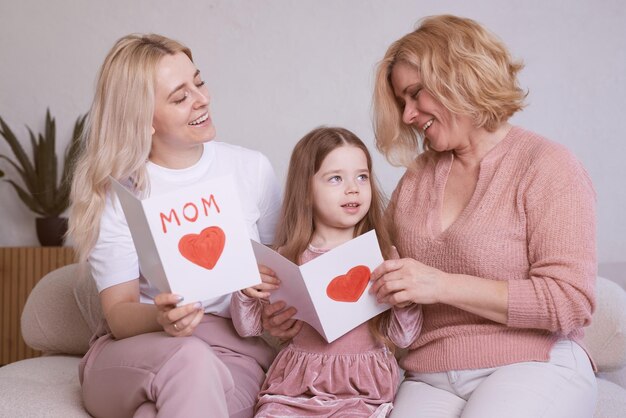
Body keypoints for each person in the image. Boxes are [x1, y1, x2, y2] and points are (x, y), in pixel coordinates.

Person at [366, 14, 597, 418]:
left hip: (532, 362)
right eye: (402, 102)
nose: (407, 116)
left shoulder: (547, 165)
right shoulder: (416, 179)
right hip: (428, 375)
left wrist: (441, 285)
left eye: (415, 93)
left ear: (460, 77)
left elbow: (570, 301)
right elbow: (377, 281)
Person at [68, 33, 281, 418]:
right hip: (137, 351)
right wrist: (161, 318)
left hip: (230, 352)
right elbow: (118, 312)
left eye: (198, 82)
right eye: (180, 97)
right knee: (188, 357)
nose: (202, 100)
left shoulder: (251, 170)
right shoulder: (118, 192)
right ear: (143, 120)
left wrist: (265, 290)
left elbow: (281, 272)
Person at [230, 126, 420, 417]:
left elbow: (404, 338)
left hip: (361, 392)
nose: (352, 188)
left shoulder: (381, 254)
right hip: (295, 388)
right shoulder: (288, 258)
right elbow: (248, 327)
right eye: (335, 179)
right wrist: (245, 291)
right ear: (306, 192)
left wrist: (406, 302)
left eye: (362, 176)